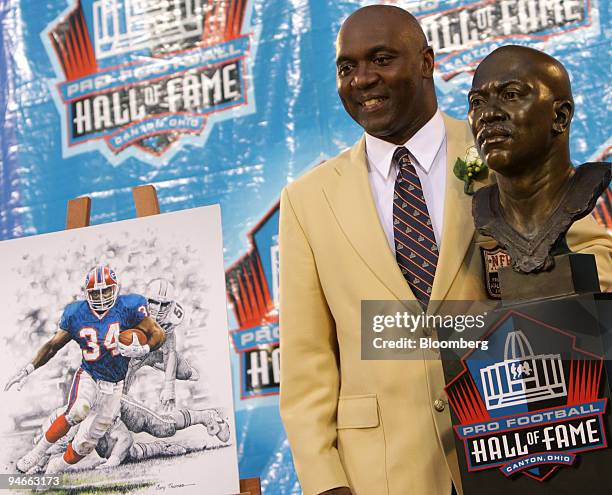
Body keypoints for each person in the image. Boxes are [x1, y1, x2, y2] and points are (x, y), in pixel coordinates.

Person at [278, 5, 612, 495]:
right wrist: (326, 482)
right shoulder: (307, 200)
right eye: (347, 68)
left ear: (426, 63)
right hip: (384, 474)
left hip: (517, 448)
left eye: (382, 59)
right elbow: (306, 362)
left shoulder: (502, 146)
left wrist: (529, 281)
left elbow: (597, 265)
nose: (363, 79)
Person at [4, 264, 166, 474]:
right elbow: (53, 345)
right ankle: (35, 454)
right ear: (86, 293)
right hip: (89, 375)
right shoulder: (76, 313)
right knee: (78, 410)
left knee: (87, 442)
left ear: (115, 288)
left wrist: (144, 347)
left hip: (115, 385)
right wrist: (28, 369)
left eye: (106, 290)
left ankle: (57, 466)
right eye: (95, 292)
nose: (101, 296)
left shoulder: (129, 306)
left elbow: (158, 334)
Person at [469, 45, 611, 274]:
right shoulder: (485, 205)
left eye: (511, 95)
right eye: (477, 102)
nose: (487, 114)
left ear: (560, 116)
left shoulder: (582, 191)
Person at [23, 395, 230, 474]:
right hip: (92, 416)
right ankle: (161, 449)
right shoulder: (55, 429)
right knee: (118, 453)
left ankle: (205, 416)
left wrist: (113, 461)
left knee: (162, 427)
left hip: (113, 404)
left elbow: (125, 436)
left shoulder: (88, 418)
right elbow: (49, 450)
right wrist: (38, 466)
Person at [123, 278, 199, 411]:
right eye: (153, 302)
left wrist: (169, 387)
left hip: (155, 352)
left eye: (164, 304)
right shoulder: (133, 309)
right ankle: (118, 402)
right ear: (146, 300)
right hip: (134, 352)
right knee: (122, 378)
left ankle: (150, 360)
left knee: (185, 372)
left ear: (171, 304)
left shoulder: (172, 316)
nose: (158, 308)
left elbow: (169, 351)